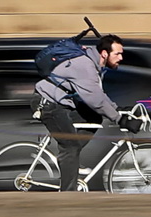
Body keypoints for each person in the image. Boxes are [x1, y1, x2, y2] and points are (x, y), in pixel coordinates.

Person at [32, 34, 141, 191]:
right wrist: (120, 120)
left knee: (93, 117)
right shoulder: (85, 66)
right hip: (47, 104)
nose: (121, 57)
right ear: (104, 53)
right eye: (117, 53)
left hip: (61, 103)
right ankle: (68, 196)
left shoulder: (93, 65)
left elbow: (98, 95)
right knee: (69, 146)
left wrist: (116, 109)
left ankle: (69, 158)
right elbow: (95, 100)